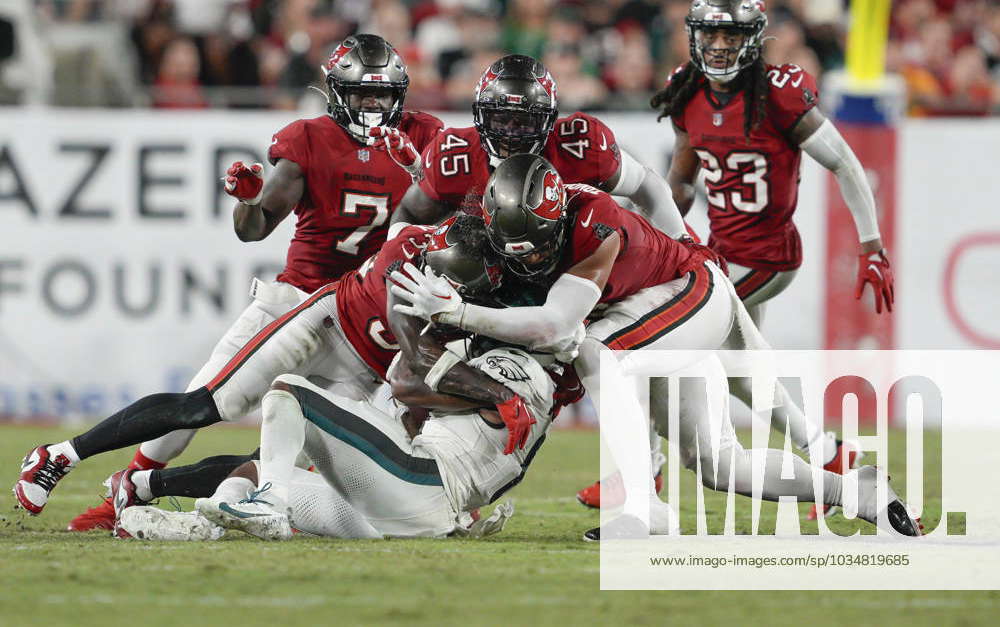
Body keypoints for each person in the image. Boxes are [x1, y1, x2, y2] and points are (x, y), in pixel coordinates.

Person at [389, 153, 921, 539]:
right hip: (647, 317)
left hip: (690, 293)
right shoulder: (488, 236)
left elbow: (556, 326)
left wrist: (457, 312)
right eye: (517, 251)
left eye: (542, 244)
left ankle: (644, 506)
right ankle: (856, 491)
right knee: (717, 463)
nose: (531, 260)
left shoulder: (595, 222)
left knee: (597, 350)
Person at [57, 34, 443, 531]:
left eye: (383, 94)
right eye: (362, 93)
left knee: (309, 448)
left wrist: (421, 166)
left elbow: (464, 201)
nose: (373, 104)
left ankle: (147, 489)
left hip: (360, 316)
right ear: (335, 92)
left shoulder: (426, 137)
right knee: (201, 405)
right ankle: (121, 489)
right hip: (295, 301)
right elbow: (254, 228)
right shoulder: (307, 138)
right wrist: (247, 199)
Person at [14, 217, 537, 534]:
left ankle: (140, 488)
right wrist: (497, 393)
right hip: (326, 325)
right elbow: (416, 358)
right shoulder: (409, 254)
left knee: (272, 463)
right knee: (209, 404)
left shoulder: (475, 281)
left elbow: (414, 376)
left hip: (365, 374)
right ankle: (60, 455)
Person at [613, 0, 896, 520]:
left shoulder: (781, 94)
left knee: (656, 339)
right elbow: (682, 180)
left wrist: (871, 242)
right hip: (724, 252)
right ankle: (835, 456)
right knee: (749, 374)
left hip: (767, 255)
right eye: (711, 36)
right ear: (694, 36)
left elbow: (844, 162)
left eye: (733, 36)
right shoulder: (687, 89)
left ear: (755, 39)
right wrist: (652, 236)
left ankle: (646, 469)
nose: (720, 46)